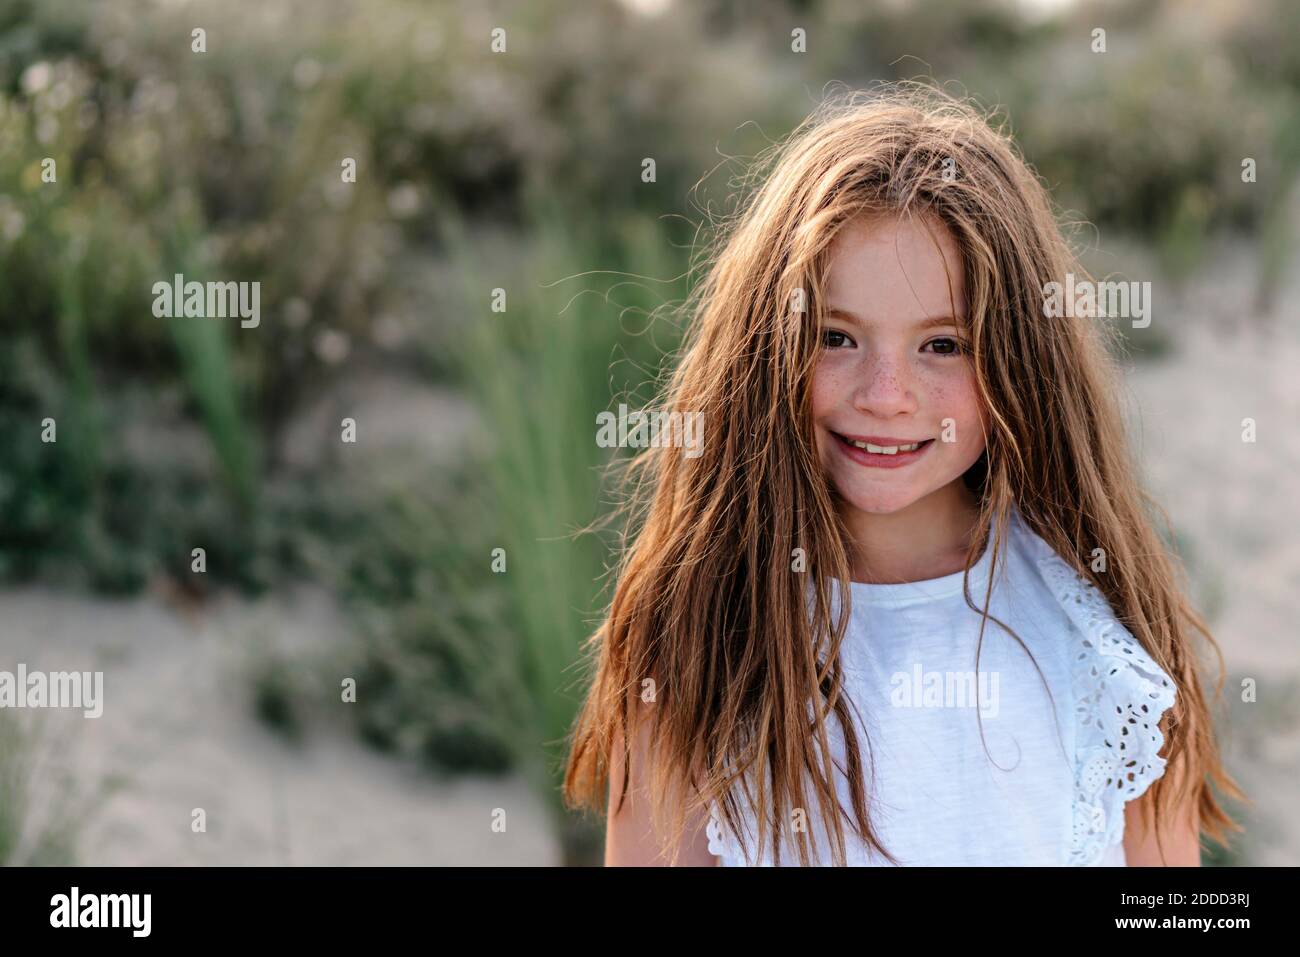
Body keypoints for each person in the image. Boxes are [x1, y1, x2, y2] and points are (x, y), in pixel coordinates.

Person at [562, 83, 1242, 866]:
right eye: (837, 336)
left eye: (943, 344)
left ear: (1022, 361)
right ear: (763, 350)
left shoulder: (1101, 638)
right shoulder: (700, 632)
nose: (886, 395)